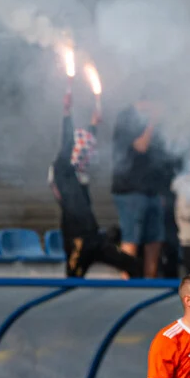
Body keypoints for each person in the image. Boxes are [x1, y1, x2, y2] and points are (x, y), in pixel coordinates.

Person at [49, 88, 139, 278]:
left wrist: (93, 124)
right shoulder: (63, 171)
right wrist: (67, 112)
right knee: (73, 279)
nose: (87, 154)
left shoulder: (81, 175)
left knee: (133, 265)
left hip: (94, 237)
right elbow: (68, 142)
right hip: (77, 240)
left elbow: (85, 143)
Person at [111, 99, 171, 278]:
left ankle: (149, 282)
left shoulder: (151, 123)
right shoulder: (126, 119)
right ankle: (126, 282)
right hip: (130, 190)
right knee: (131, 238)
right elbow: (141, 146)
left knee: (155, 240)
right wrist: (152, 122)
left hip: (151, 191)